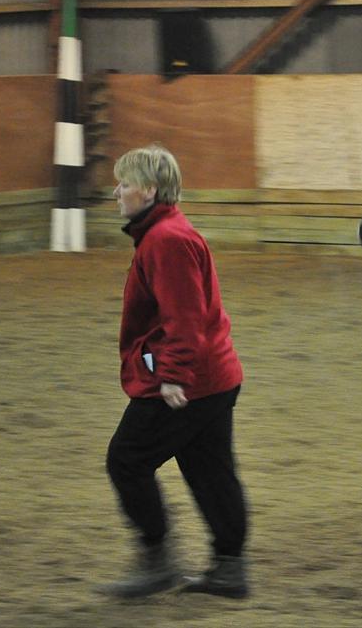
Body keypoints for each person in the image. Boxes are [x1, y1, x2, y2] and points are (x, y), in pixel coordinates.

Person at [98, 144, 250, 599]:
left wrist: (172, 376)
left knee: (126, 461)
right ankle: (230, 568)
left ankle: (156, 559)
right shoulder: (165, 233)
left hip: (190, 381)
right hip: (213, 378)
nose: (117, 192)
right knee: (210, 470)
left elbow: (183, 317)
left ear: (148, 189)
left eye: (124, 183)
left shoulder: (166, 240)